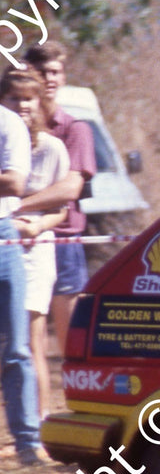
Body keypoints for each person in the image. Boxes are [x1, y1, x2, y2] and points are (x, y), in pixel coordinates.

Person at [21, 44, 95, 364]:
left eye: (56, 72)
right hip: (22, 238)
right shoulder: (13, 125)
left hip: (64, 238)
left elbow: (71, 187)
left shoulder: (75, 128)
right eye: (43, 71)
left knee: (70, 342)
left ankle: (74, 404)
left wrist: (16, 207)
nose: (50, 78)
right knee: (25, 338)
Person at [2, 69, 68, 421]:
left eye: (29, 98)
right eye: (14, 97)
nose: (22, 105)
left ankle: (37, 426)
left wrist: (37, 223)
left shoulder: (52, 147)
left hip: (34, 250)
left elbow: (62, 208)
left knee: (29, 342)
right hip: (4, 240)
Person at [0, 70, 39, 463]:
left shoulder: (9, 123)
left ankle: (28, 444)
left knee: (17, 348)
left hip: (4, 236)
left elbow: (14, 182)